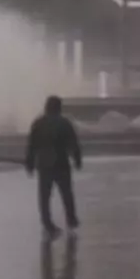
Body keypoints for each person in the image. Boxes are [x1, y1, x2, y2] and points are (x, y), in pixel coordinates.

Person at [25, 95, 83, 235]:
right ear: (59, 108)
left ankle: (47, 223)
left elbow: (32, 145)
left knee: (44, 196)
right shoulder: (64, 123)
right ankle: (71, 219)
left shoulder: (38, 123)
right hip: (61, 163)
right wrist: (77, 160)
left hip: (44, 165)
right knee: (67, 193)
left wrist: (30, 164)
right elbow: (73, 144)